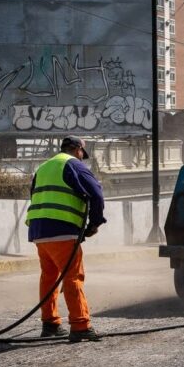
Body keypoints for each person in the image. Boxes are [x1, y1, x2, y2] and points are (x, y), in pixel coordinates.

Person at [26, 136, 106, 342]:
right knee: (73, 276)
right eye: (82, 154)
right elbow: (96, 193)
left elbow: (33, 194)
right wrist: (94, 224)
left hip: (39, 230)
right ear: (78, 149)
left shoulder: (43, 167)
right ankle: (80, 325)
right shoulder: (73, 165)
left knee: (49, 276)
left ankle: (50, 324)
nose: (82, 158)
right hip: (62, 228)